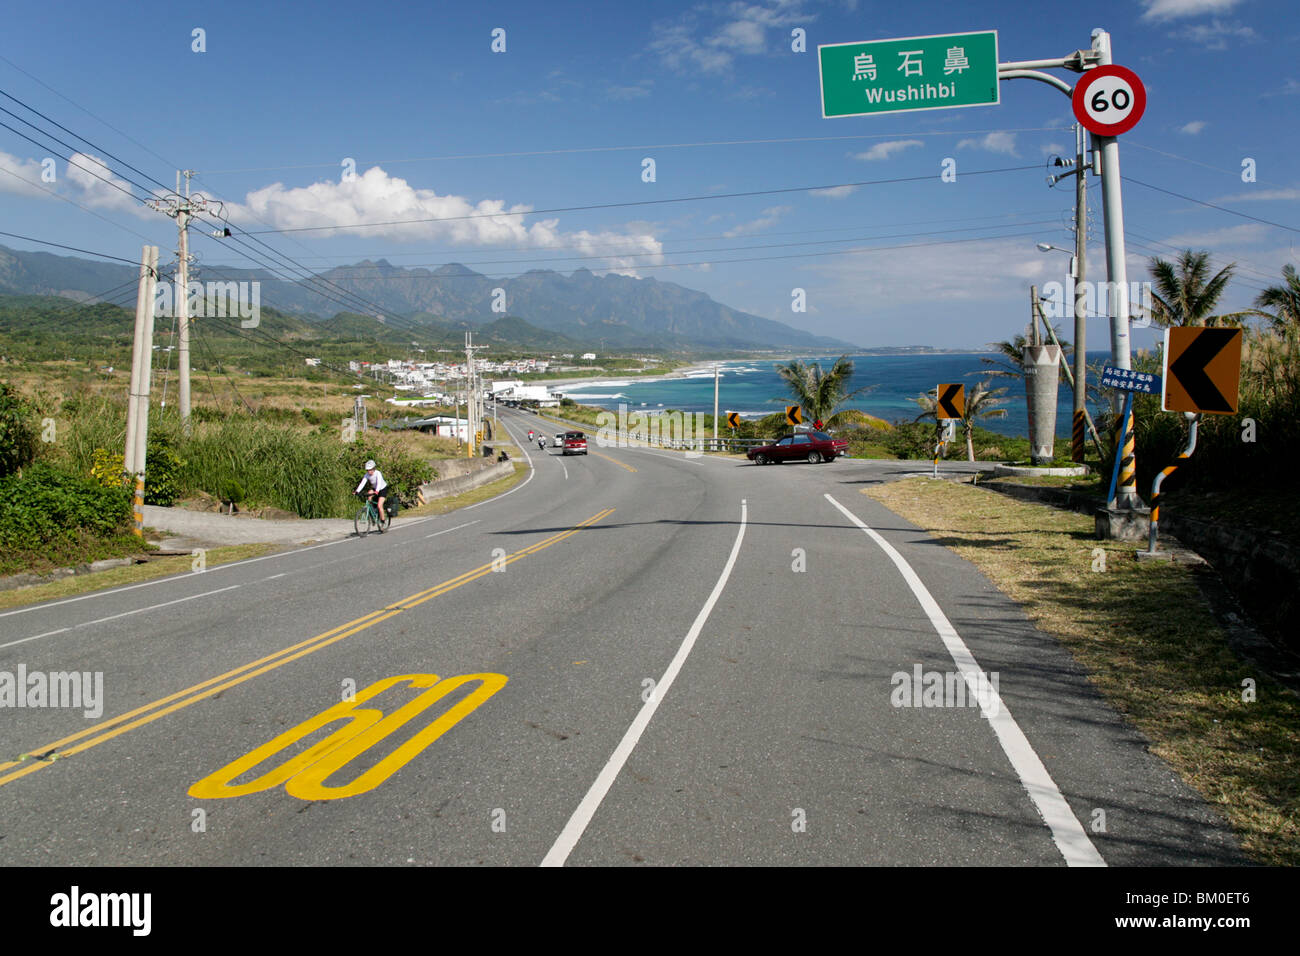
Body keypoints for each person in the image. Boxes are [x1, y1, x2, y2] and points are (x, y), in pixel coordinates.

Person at [355, 459, 389, 529]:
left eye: (370, 470)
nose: (369, 472)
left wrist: (376, 491)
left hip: (382, 489)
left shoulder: (378, 473)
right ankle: (372, 512)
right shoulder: (367, 475)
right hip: (375, 488)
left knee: (379, 505)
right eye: (367, 470)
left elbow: (379, 483)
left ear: (374, 469)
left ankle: (382, 520)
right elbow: (362, 483)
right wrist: (357, 491)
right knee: (369, 494)